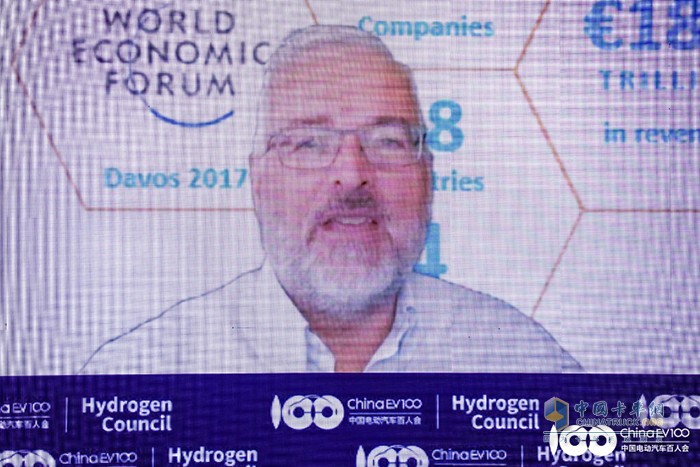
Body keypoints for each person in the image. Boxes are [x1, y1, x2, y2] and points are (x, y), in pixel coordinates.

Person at [81, 25, 581, 373]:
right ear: (258, 180)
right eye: (309, 143)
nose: (351, 176)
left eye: (388, 141)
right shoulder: (137, 372)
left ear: (428, 175)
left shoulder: (524, 361)